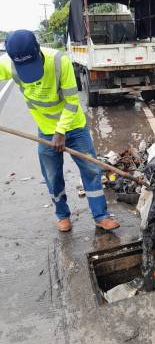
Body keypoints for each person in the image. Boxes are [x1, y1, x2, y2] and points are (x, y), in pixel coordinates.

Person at [0, 29, 120, 232]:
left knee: (91, 170)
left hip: (74, 127)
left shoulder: (59, 61)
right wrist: (53, 133)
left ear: (39, 50)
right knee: (52, 175)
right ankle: (62, 216)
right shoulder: (7, 64)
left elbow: (72, 102)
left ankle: (100, 216)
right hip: (46, 131)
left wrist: (61, 132)